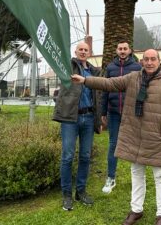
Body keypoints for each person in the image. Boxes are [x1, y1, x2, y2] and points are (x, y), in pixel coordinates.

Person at [71, 49, 161, 225]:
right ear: (142, 61)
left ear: (159, 61)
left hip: (158, 136)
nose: (149, 62)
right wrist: (86, 80)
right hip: (135, 135)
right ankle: (136, 210)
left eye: (152, 59)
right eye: (146, 59)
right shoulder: (133, 78)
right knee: (136, 173)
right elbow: (110, 83)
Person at [53, 41, 101, 211]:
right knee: (67, 156)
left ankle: (80, 191)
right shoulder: (68, 67)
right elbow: (58, 57)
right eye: (80, 49)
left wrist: (98, 120)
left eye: (86, 50)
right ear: (75, 51)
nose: (83, 52)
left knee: (85, 157)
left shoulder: (94, 72)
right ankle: (67, 194)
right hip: (70, 118)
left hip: (88, 118)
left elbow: (98, 97)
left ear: (90, 52)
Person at [100, 41, 142, 194]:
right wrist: (103, 112)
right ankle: (111, 178)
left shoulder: (137, 67)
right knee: (113, 144)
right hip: (114, 113)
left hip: (132, 113)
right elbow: (105, 90)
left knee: (135, 144)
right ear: (116, 51)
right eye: (120, 49)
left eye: (125, 49)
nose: (122, 51)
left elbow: (141, 90)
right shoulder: (110, 68)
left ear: (130, 50)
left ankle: (137, 179)